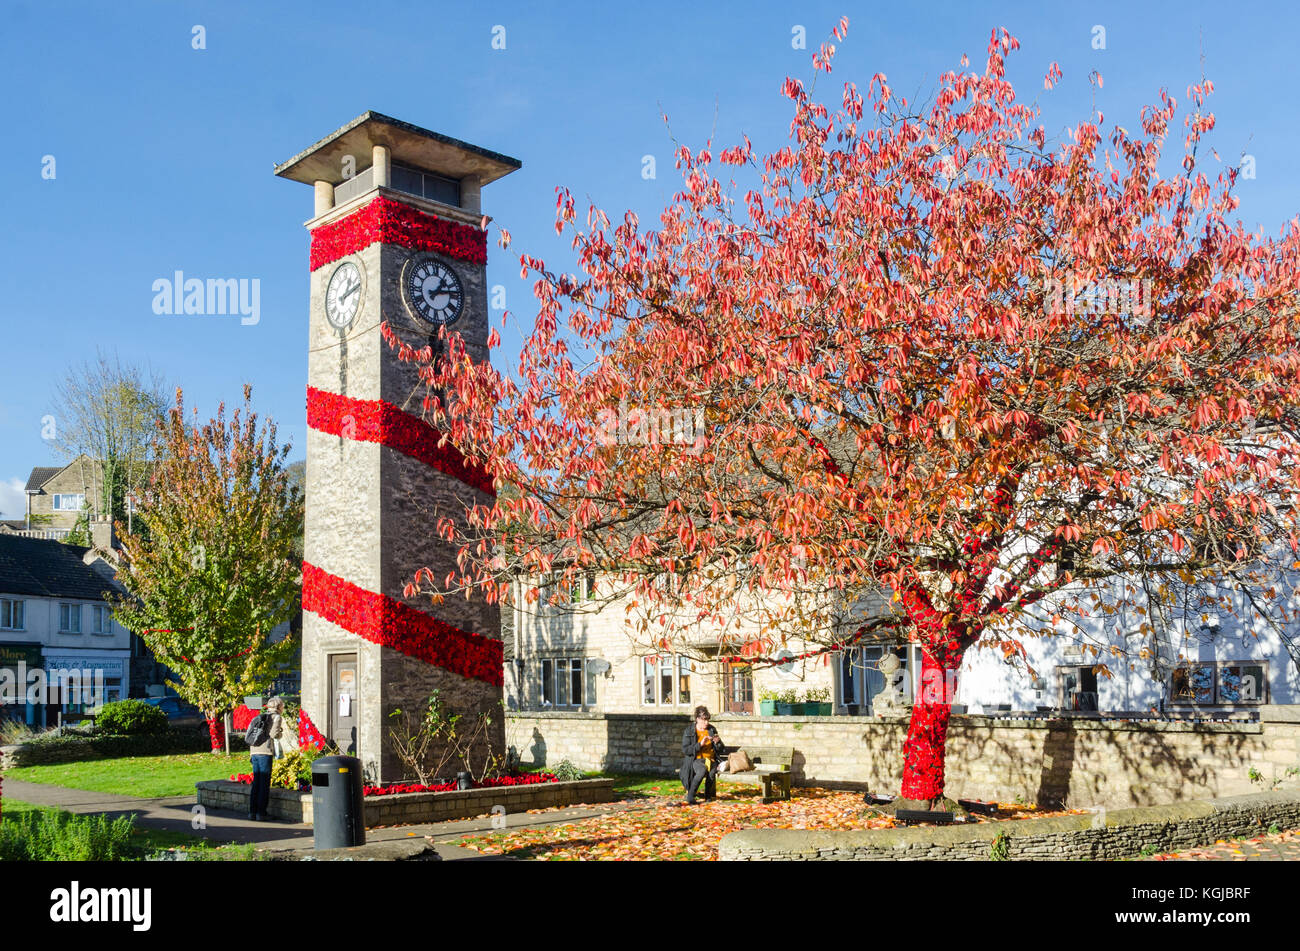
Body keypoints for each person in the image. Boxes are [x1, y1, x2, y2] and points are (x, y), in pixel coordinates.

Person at [247, 697, 286, 821]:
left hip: (254, 751)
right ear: (279, 707)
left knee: (256, 783)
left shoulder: (261, 716)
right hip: (265, 752)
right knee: (264, 784)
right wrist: (280, 732)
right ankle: (262, 813)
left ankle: (252, 812)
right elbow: (274, 734)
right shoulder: (277, 717)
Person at [679, 705, 727, 805]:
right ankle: (690, 796)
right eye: (704, 720)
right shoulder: (690, 731)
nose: (706, 722)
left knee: (712, 772)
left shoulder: (711, 730)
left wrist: (718, 742)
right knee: (702, 770)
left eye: (707, 720)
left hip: (711, 759)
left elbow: (721, 749)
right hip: (696, 760)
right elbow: (686, 749)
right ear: (697, 719)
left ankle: (708, 796)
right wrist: (700, 744)